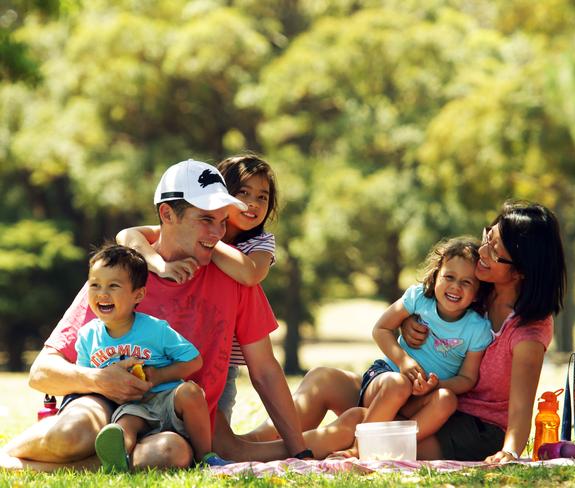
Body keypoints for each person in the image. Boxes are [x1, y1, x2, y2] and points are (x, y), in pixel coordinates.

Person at [0, 158, 362, 471]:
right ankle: (14, 456)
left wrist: (299, 450)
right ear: (167, 215)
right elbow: (42, 372)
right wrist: (99, 380)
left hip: (174, 416)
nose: (218, 233)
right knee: (74, 433)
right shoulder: (121, 274)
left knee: (170, 454)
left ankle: (66, 464)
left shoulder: (236, 279)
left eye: (222, 221)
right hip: (98, 401)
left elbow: (265, 371)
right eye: (206, 220)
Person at [246, 201, 566, 464]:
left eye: (494, 251)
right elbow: (432, 305)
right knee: (323, 379)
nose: (482, 251)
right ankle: (252, 439)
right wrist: (405, 323)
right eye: (487, 237)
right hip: (415, 394)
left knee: (359, 424)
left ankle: (257, 454)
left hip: (470, 427)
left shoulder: (528, 330)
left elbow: (521, 407)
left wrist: (509, 451)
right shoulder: (478, 290)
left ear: (521, 270)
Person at [116, 154, 278, 425]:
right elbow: (128, 234)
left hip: (223, 364)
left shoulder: (258, 243)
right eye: (243, 193)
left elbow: (250, 273)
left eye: (263, 197)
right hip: (177, 366)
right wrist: (157, 263)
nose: (253, 203)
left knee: (216, 437)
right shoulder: (186, 228)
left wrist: (207, 241)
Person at [78, 243, 226, 471]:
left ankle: (205, 457)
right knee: (123, 426)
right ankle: (117, 458)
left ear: (138, 294)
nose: (102, 293)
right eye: (95, 285)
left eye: (113, 285)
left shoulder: (156, 329)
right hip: (129, 406)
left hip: (166, 398)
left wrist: (157, 376)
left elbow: (194, 360)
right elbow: (84, 381)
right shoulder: (88, 335)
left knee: (191, 392)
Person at [350, 237, 492, 455]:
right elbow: (381, 329)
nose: (455, 286)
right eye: (449, 277)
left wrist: (435, 386)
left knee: (447, 400)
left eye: (466, 282)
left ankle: (391, 450)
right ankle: (358, 450)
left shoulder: (477, 328)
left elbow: (467, 379)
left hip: (419, 399)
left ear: (477, 294)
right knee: (399, 384)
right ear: (435, 277)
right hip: (385, 381)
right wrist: (403, 361)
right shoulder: (418, 298)